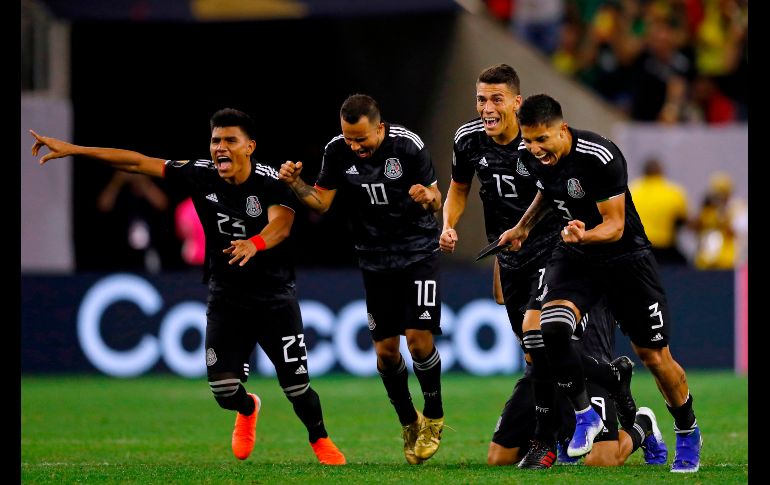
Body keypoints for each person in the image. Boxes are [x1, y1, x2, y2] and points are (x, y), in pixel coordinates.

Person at [29, 108, 346, 466]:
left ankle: (320, 440)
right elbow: (137, 162)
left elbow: (281, 226)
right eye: (215, 140)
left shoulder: (272, 181)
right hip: (227, 297)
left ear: (250, 146)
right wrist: (75, 149)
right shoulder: (201, 174)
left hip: (275, 297)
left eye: (230, 140)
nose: (220, 148)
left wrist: (253, 244)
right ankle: (248, 408)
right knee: (224, 391)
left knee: (296, 388)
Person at [441, 63, 637, 469]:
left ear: (517, 102)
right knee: (534, 359)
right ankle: (592, 396)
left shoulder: (539, 144)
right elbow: (458, 190)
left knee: (541, 339)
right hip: (512, 260)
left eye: (496, 99)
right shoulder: (468, 140)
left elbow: (565, 198)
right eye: (481, 99)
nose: (487, 108)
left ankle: (575, 434)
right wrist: (448, 225)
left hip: (557, 256)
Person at [499, 93, 702, 473]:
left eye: (542, 139)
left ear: (562, 129)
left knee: (655, 358)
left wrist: (583, 234)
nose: (534, 149)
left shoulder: (600, 155)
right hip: (577, 257)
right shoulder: (534, 158)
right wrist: (522, 227)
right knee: (552, 328)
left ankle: (687, 430)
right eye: (527, 140)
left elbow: (615, 226)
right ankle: (584, 415)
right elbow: (547, 190)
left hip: (625, 260)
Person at [278, 94, 445, 465]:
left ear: (380, 128)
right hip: (373, 259)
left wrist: (426, 197)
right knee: (386, 353)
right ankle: (408, 421)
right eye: (349, 138)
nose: (355, 146)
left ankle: (433, 415)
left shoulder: (408, 145)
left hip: (418, 253)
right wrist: (297, 184)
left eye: (362, 139)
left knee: (418, 342)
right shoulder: (337, 151)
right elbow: (321, 203)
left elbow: (436, 197)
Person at [488, 288, 668, 468]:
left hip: (588, 363)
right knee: (499, 457)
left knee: (602, 460)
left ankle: (643, 424)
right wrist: (504, 259)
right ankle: (563, 434)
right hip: (542, 370)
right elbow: (501, 296)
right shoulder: (534, 265)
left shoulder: (583, 267)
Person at [628, 158, 689, 265]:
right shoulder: (673, 192)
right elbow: (682, 220)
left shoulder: (632, 191)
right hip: (664, 250)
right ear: (661, 171)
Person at [690, 171, 748, 269]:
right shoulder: (710, 210)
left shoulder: (738, 208)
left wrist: (724, 219)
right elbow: (696, 228)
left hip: (731, 261)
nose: (720, 197)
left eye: (722, 193)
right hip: (707, 261)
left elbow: (738, 231)